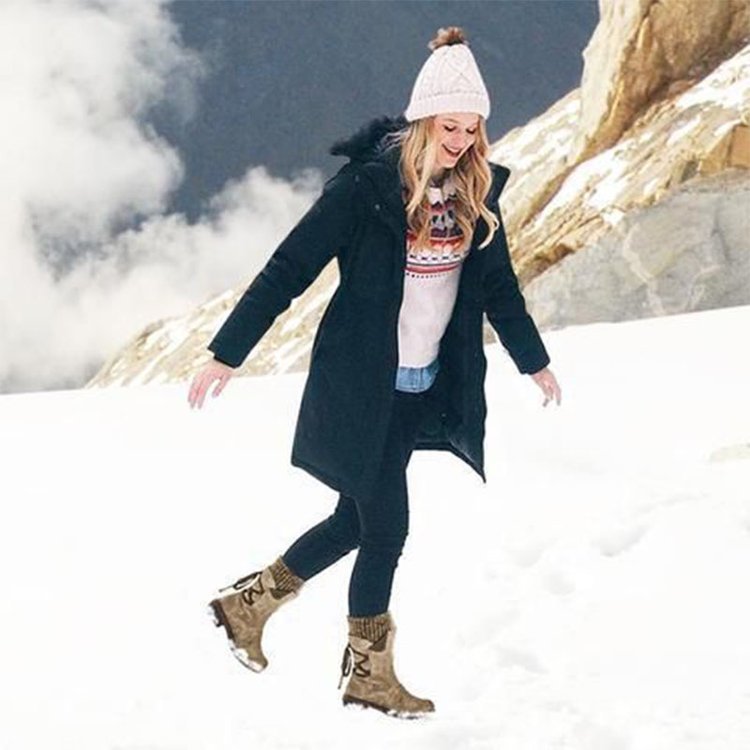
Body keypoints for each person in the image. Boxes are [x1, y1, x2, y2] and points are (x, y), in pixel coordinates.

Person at [188, 26, 562, 720]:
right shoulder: (368, 187)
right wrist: (227, 352)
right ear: (424, 120)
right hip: (363, 387)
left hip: (421, 386)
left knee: (353, 521)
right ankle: (367, 673)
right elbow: (289, 267)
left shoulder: (476, 192)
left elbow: (498, 287)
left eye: (472, 129)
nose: (461, 141)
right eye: (450, 127)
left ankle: (248, 606)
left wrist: (533, 361)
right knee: (386, 526)